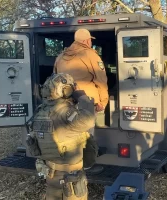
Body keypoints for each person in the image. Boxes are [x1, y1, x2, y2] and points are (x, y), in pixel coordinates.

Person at [25, 73, 95, 200]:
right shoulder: (66, 114)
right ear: (66, 90)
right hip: (71, 178)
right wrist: (82, 96)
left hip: (51, 176)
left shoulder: (40, 111)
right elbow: (89, 120)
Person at [53, 28, 108, 172]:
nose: (91, 42)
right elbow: (101, 79)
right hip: (86, 100)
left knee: (69, 131)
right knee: (87, 132)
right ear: (85, 41)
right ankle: (87, 165)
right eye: (90, 40)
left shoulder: (60, 56)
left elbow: (54, 78)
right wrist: (103, 100)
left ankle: (69, 163)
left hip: (65, 101)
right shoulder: (90, 54)